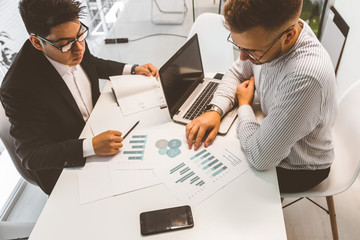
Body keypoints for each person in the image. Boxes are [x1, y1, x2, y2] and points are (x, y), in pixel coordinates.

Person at [0, 0, 159, 195]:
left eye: (80, 36)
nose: (79, 49)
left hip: (99, 126)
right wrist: (90, 146)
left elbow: (91, 63)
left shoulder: (72, 39)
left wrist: (132, 69)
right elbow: (30, 156)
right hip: (69, 163)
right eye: (65, 44)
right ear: (36, 42)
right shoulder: (19, 88)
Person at [186, 0, 336, 193]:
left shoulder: (306, 77)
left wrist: (244, 106)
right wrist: (216, 110)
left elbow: (260, 158)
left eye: (252, 50)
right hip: (270, 137)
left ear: (289, 36)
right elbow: (237, 73)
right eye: (238, 46)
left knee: (212, 182)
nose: (242, 58)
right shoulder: (271, 38)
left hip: (298, 167)